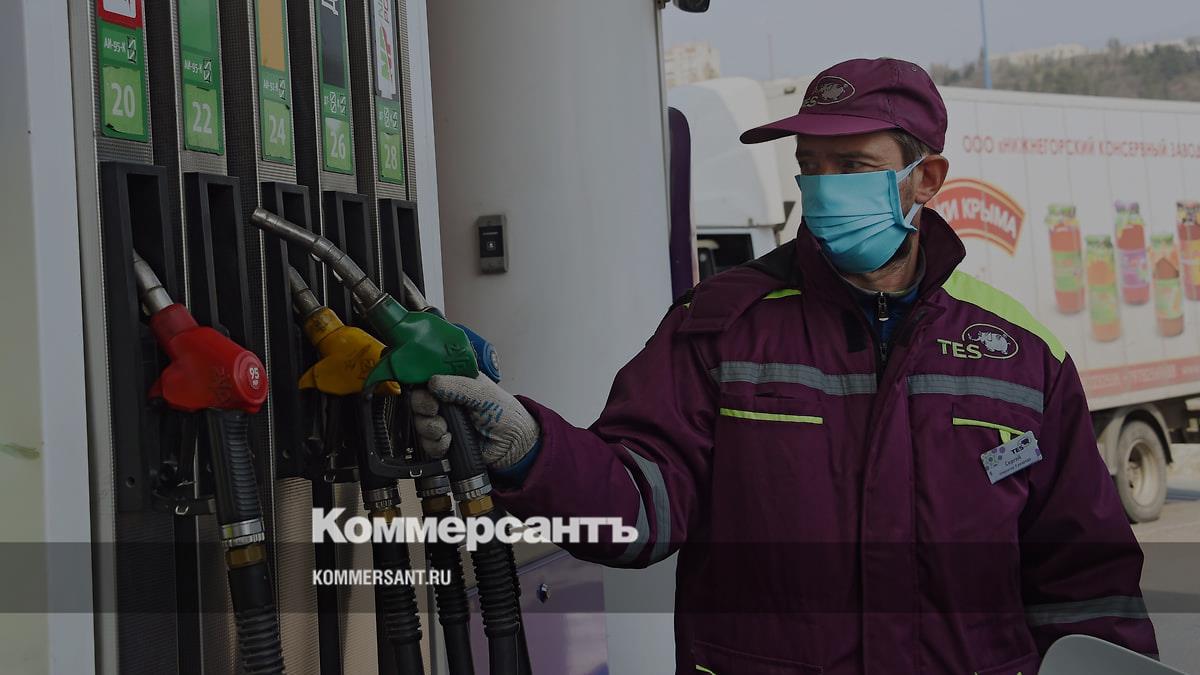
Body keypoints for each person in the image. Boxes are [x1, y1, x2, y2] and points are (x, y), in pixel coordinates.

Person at [410, 58, 1158, 674]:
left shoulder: (1022, 356)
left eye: (853, 165)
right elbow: (639, 508)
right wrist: (532, 449)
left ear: (926, 179)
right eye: (810, 166)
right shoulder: (721, 327)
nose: (824, 188)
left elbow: (1087, 581)